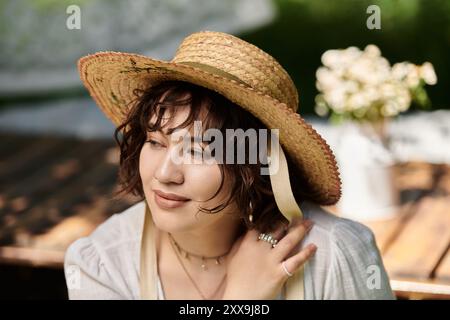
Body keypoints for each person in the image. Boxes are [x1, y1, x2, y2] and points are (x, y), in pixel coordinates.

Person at [64, 31, 395, 300]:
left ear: (257, 164)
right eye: (155, 142)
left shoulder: (332, 255)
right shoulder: (105, 262)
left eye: (198, 151)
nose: (165, 174)